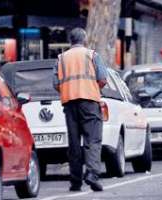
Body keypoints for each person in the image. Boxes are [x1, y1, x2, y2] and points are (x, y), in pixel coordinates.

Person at [53, 28, 108, 192]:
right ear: (84, 39)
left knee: (74, 144)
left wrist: (69, 90)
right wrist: (91, 88)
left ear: (71, 41)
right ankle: (92, 174)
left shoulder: (61, 58)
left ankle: (75, 182)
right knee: (93, 140)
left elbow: (55, 84)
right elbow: (103, 79)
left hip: (69, 103)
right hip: (90, 101)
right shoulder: (92, 55)